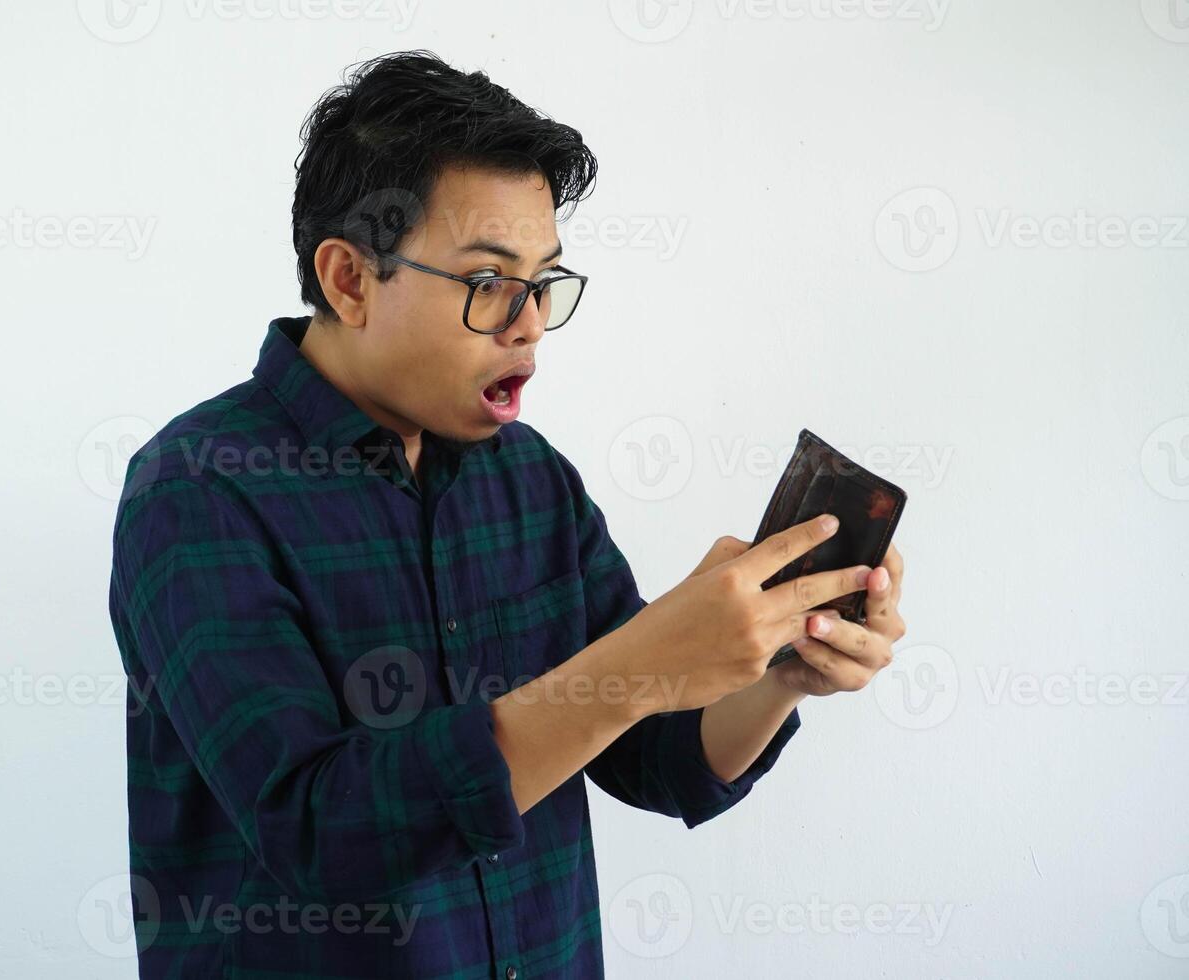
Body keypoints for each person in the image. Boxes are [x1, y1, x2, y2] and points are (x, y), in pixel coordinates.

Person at [107, 48, 907, 979]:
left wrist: (778, 674)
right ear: (350, 280)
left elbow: (655, 759)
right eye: (489, 283)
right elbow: (318, 832)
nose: (528, 323)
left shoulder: (532, 481)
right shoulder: (197, 489)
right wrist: (636, 668)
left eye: (546, 283)